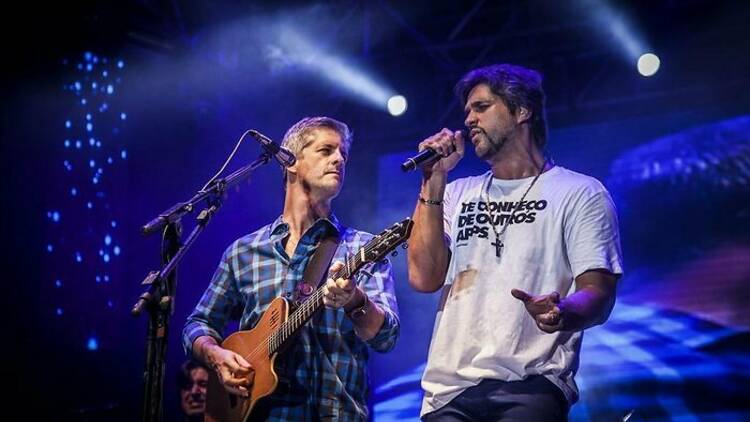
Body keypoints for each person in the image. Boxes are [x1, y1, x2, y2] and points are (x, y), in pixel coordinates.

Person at [407, 64, 623, 421]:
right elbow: (423, 277)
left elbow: (598, 294)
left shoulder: (579, 193)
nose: (469, 120)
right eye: (467, 112)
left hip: (531, 385)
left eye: (481, 107)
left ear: (523, 110)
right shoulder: (454, 193)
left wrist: (562, 311)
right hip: (447, 394)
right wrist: (434, 180)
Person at [182, 116, 400, 421]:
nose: (339, 159)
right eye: (326, 150)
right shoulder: (244, 252)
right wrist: (216, 357)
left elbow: (386, 336)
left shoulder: (361, 248)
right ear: (290, 162)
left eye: (343, 154)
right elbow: (198, 324)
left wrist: (355, 301)